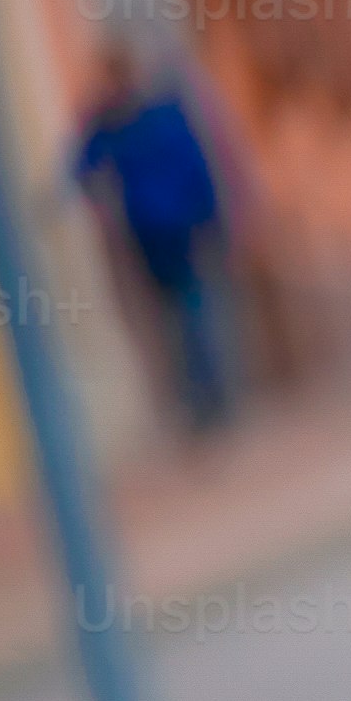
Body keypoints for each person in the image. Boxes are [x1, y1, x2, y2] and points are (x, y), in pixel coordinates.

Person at [66, 46, 237, 437]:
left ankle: (207, 396)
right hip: (151, 235)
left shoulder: (149, 117)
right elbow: (80, 167)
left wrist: (210, 215)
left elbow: (193, 164)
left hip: (173, 229)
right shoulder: (113, 123)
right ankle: (198, 395)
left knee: (190, 312)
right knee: (178, 315)